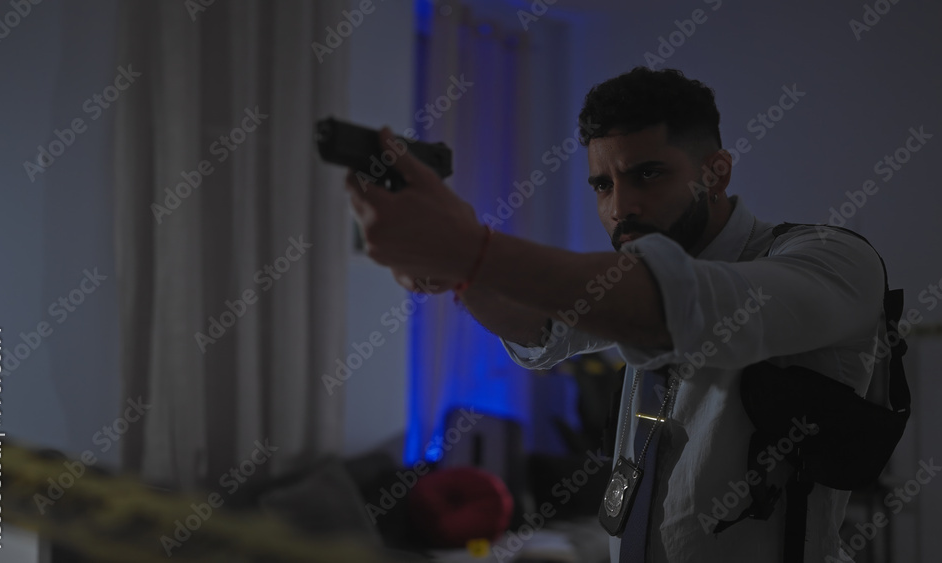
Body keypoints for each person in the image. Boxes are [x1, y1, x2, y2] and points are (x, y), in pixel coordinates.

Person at [342, 66, 885, 562]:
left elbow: (676, 308)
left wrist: (472, 250)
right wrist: (463, 275)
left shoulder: (830, 260)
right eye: (603, 184)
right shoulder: (638, 274)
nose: (621, 207)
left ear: (715, 173)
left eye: (648, 175)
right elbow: (547, 330)